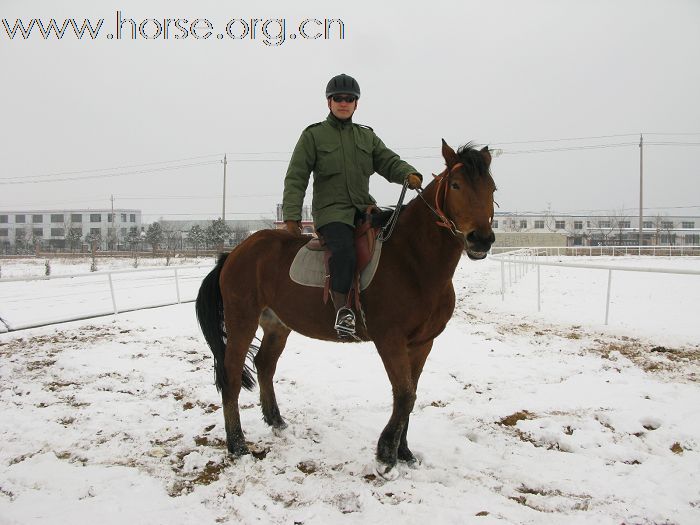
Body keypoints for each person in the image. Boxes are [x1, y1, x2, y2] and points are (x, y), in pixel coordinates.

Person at [282, 73, 422, 338]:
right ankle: (343, 312)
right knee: (344, 251)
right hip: (332, 213)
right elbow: (296, 176)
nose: (343, 103)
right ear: (329, 102)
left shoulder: (366, 137)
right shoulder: (314, 136)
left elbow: (388, 161)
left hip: (364, 209)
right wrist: (292, 216)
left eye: (349, 99)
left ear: (356, 104)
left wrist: (407, 173)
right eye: (338, 98)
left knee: (397, 240)